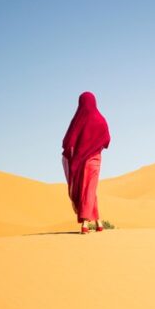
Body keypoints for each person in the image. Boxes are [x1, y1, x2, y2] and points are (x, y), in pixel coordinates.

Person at [62, 91, 111, 234]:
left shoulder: (78, 119)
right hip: (95, 159)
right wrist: (96, 144)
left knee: (88, 189)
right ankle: (89, 223)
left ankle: (93, 221)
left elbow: (67, 142)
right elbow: (107, 140)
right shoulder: (100, 119)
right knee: (90, 189)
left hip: (80, 161)